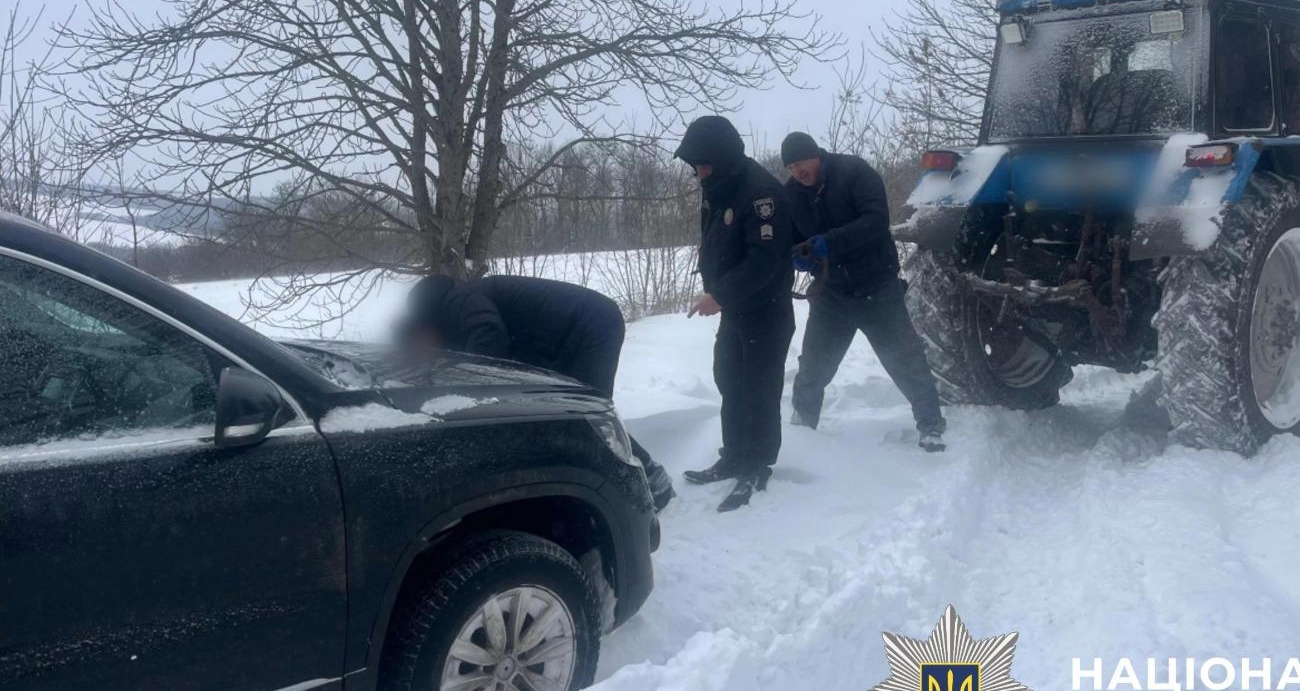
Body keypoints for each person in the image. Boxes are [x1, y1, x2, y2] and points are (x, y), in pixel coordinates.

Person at [398, 273, 674, 509]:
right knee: (570, 414)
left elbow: (489, 333)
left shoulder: (459, 299)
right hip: (568, 337)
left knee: (586, 416)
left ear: (426, 321)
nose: (426, 351)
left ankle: (650, 479)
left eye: (421, 343)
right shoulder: (455, 312)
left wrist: (471, 387)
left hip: (592, 326)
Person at [780, 130, 947, 452]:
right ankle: (802, 431)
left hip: (877, 287)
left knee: (906, 360)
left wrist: (830, 242)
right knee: (813, 367)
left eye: (800, 164)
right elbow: (792, 237)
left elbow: (875, 221)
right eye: (790, 168)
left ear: (815, 155)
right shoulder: (791, 195)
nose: (797, 173)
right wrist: (797, 255)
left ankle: (931, 426)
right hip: (832, 294)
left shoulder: (854, 172)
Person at [674, 115, 795, 512]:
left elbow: (765, 261)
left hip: (765, 310)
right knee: (729, 380)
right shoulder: (719, 186)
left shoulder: (762, 195)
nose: (698, 172)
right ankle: (734, 455)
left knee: (759, 389)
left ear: (722, 157)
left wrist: (720, 294)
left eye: (703, 164)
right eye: (695, 166)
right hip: (736, 309)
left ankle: (757, 465)